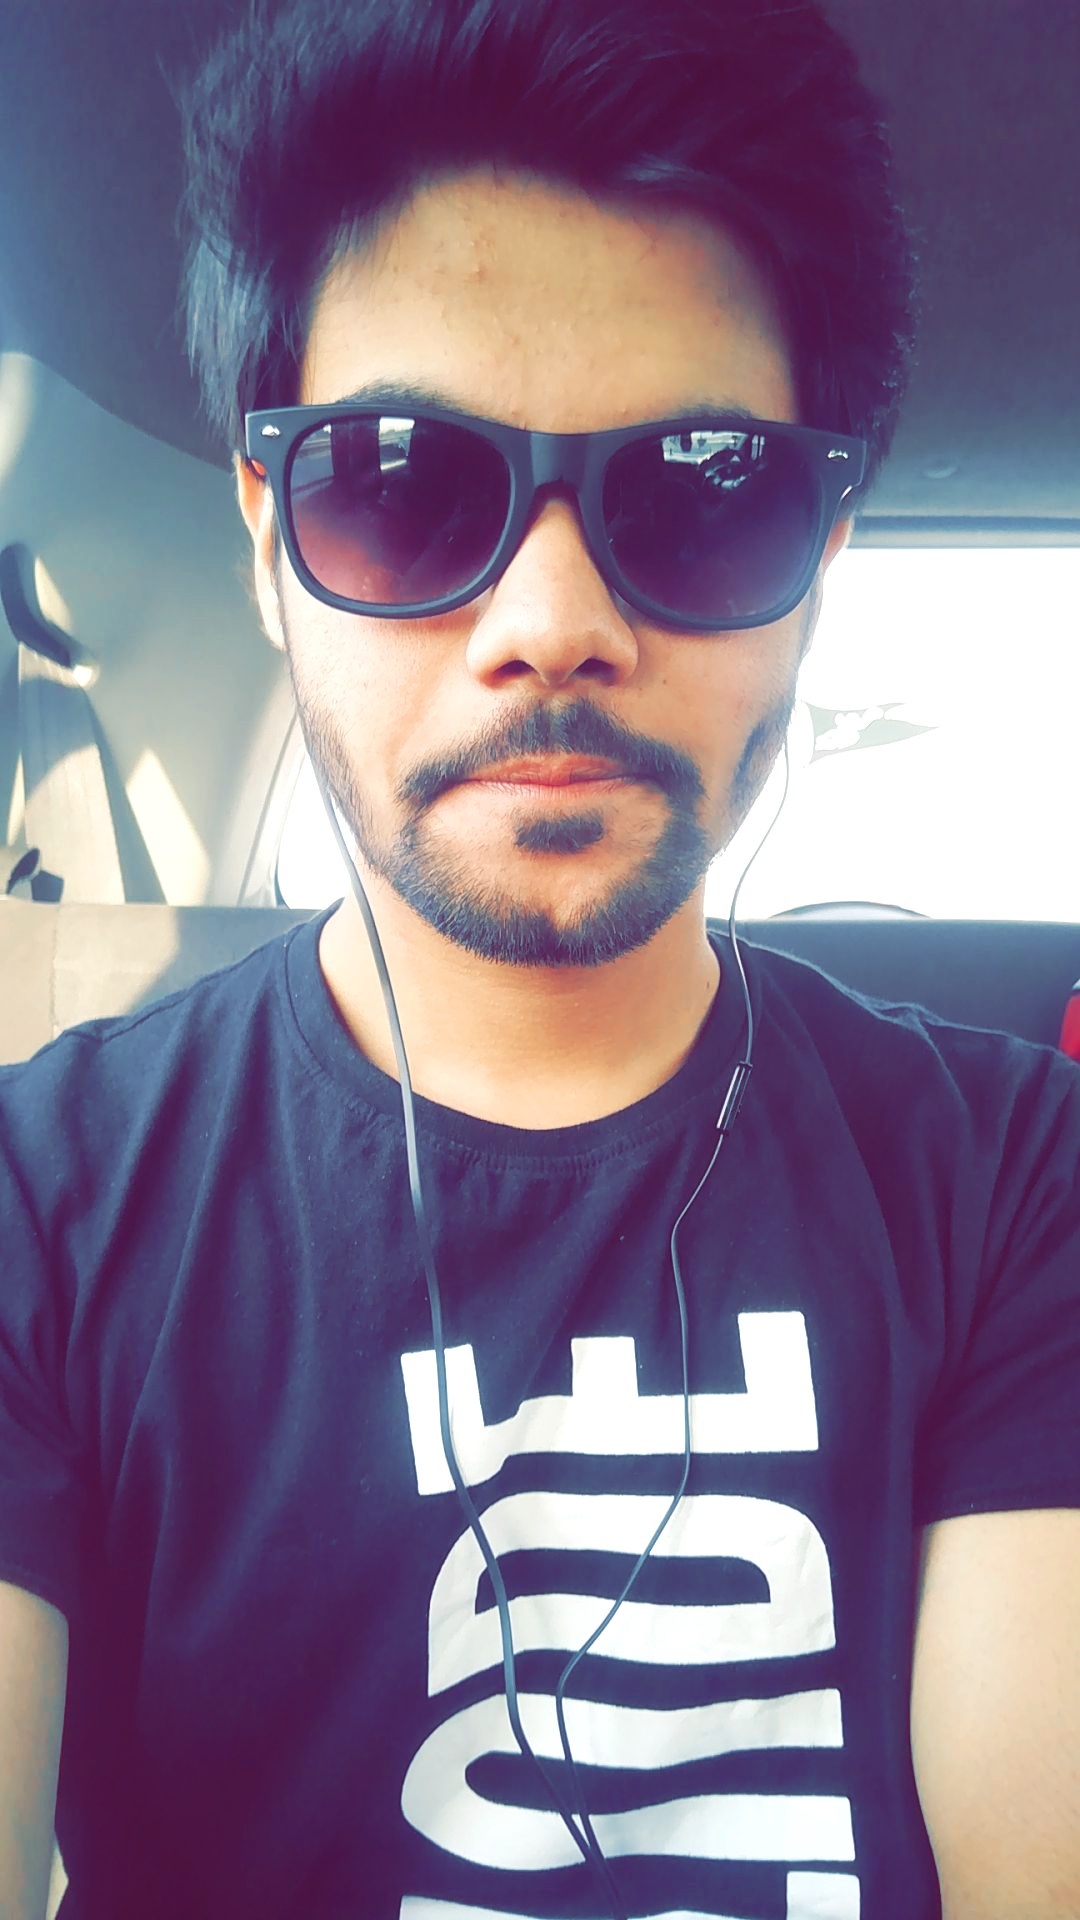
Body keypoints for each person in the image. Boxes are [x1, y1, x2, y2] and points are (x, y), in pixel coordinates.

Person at [1, 0, 1078, 1914]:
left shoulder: (1021, 1186)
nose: (552, 619)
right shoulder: (38, 1207)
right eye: (397, 478)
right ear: (265, 537)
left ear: (823, 554)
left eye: (704, 485)